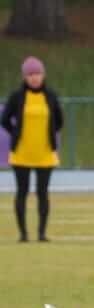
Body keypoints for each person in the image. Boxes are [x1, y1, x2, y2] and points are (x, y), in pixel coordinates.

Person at [1, 55, 64, 243]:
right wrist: (16, 134)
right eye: (30, 74)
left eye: (37, 74)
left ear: (43, 75)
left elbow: (59, 120)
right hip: (21, 153)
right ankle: (23, 234)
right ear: (25, 77)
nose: (34, 78)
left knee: (42, 193)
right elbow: (4, 120)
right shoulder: (17, 97)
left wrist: (50, 134)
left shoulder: (50, 96)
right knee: (22, 192)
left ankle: (41, 234)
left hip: (45, 153)